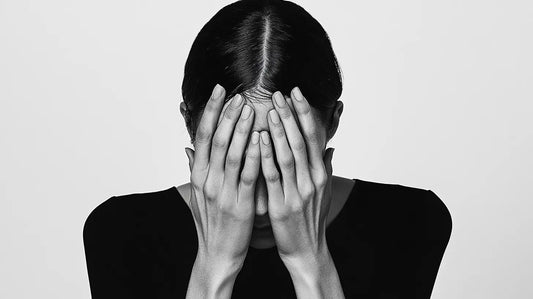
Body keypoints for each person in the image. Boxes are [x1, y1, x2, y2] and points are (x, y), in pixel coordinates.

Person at [83, 0, 452, 298]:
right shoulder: (120, 236)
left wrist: (310, 261)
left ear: (333, 122)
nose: (260, 207)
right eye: (234, 161)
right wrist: (214, 267)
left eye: (285, 159)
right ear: (189, 124)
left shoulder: (410, 225)